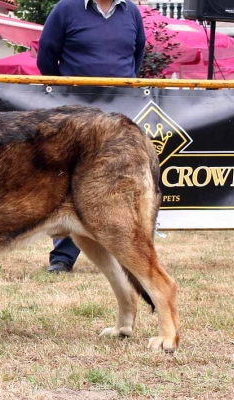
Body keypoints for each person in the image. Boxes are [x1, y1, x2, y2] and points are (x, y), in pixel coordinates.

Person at [36, 0, 146, 273]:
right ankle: (62, 256)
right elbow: (46, 58)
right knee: (70, 180)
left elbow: (138, 55)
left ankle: (129, 256)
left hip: (121, 110)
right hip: (76, 113)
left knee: (121, 181)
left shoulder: (131, 11)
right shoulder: (65, 8)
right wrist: (66, 92)